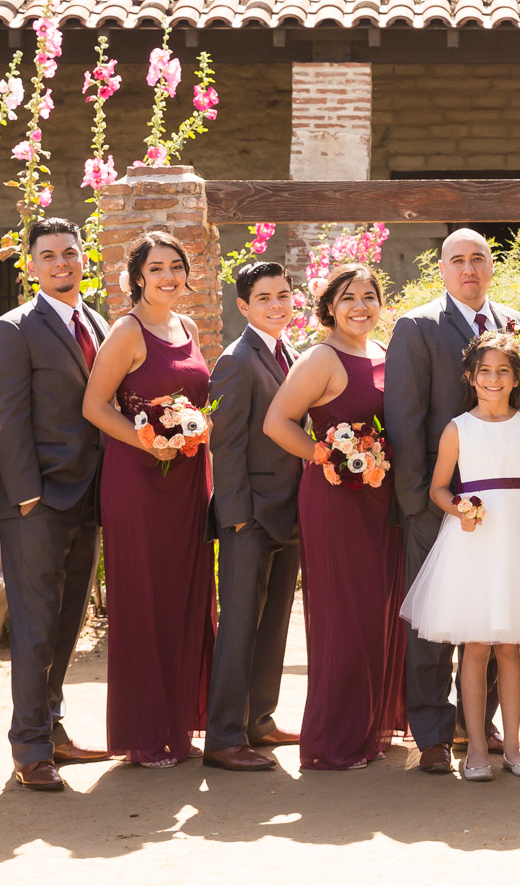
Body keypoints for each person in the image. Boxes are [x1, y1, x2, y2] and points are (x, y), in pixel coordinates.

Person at [384, 230, 520, 774]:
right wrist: (419, 503)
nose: (469, 269)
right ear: (441, 269)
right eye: (457, 260)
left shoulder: (516, 323)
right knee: (435, 621)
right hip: (436, 501)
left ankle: (479, 723)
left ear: (491, 267)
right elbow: (404, 417)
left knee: (492, 615)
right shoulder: (416, 327)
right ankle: (433, 733)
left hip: (502, 501)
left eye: (478, 259)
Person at [401, 332, 520, 780]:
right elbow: (439, 487)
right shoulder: (459, 427)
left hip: (518, 539)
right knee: (474, 647)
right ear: (470, 377)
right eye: (485, 372)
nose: (493, 379)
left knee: (510, 647)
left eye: (503, 371)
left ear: (516, 378)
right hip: (473, 541)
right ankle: (474, 747)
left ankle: (513, 747)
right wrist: (460, 508)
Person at [0, 218, 114, 791]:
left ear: (83, 258)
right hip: (37, 500)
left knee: (68, 621)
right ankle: (29, 747)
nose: (61, 263)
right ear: (31, 266)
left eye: (70, 253)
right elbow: (8, 419)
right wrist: (27, 494)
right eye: (48, 255)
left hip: (91, 495)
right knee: (35, 625)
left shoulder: (101, 323)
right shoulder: (13, 330)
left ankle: (54, 727)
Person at [267, 261, 407, 770]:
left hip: (379, 499)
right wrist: (324, 455)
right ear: (329, 307)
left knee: (376, 610)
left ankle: (368, 727)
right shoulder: (320, 359)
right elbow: (276, 422)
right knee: (342, 616)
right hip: (333, 499)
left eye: (369, 296)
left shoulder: (385, 353)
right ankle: (332, 740)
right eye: (348, 298)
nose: (360, 307)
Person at [82, 231, 216, 768]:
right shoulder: (127, 331)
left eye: (176, 267)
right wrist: (146, 438)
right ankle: (144, 733)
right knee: (145, 600)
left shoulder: (186, 326)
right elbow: (94, 405)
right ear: (137, 275)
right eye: (157, 268)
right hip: (137, 481)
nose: (168, 276)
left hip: (185, 480)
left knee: (186, 595)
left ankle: (180, 717)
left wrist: (193, 431)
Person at [201, 260, 304, 772]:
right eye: (265, 298)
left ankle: (258, 720)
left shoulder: (292, 354)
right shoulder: (236, 361)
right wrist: (237, 519)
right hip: (250, 519)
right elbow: (227, 444)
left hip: (289, 515)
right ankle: (222, 738)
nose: (277, 305)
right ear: (244, 306)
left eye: (283, 295)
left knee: (275, 624)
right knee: (240, 625)